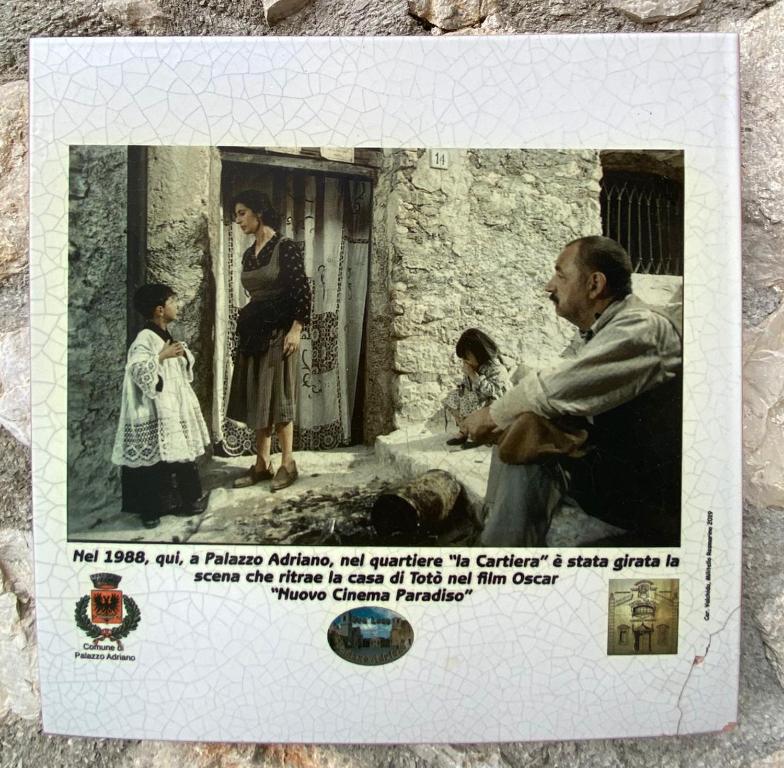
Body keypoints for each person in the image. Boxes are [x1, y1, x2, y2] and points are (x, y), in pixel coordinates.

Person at [462, 236, 683, 546]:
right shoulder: (604, 328)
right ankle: (495, 541)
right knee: (523, 427)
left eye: (561, 275)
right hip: (615, 475)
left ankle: (500, 560)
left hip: (645, 499)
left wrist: (490, 415)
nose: (549, 286)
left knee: (529, 436)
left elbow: (553, 389)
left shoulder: (640, 329)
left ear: (594, 284)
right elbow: (555, 379)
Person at [226, 190, 311, 491]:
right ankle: (262, 464)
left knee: (279, 397)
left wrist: (296, 329)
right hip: (254, 330)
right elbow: (254, 294)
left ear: (258, 212)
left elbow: (301, 289)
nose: (237, 220)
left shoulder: (285, 247)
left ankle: (288, 463)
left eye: (241, 213)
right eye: (236, 215)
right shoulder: (249, 254)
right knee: (257, 396)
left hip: (278, 330)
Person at [112, 284, 211, 529]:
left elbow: (180, 366)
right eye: (173, 301)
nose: (177, 306)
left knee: (180, 453)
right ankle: (150, 510)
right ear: (159, 309)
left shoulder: (164, 334)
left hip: (170, 406)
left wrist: (182, 354)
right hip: (153, 407)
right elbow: (136, 368)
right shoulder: (145, 337)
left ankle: (190, 501)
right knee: (151, 464)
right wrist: (161, 357)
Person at [443, 328, 510, 448]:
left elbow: (491, 391)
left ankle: (478, 435)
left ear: (479, 352)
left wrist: (474, 376)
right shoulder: (474, 365)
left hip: (495, 403)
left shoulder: (497, 368)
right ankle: (465, 430)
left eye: (467, 357)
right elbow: (469, 387)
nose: (465, 361)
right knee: (454, 398)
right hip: (478, 400)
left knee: (471, 400)